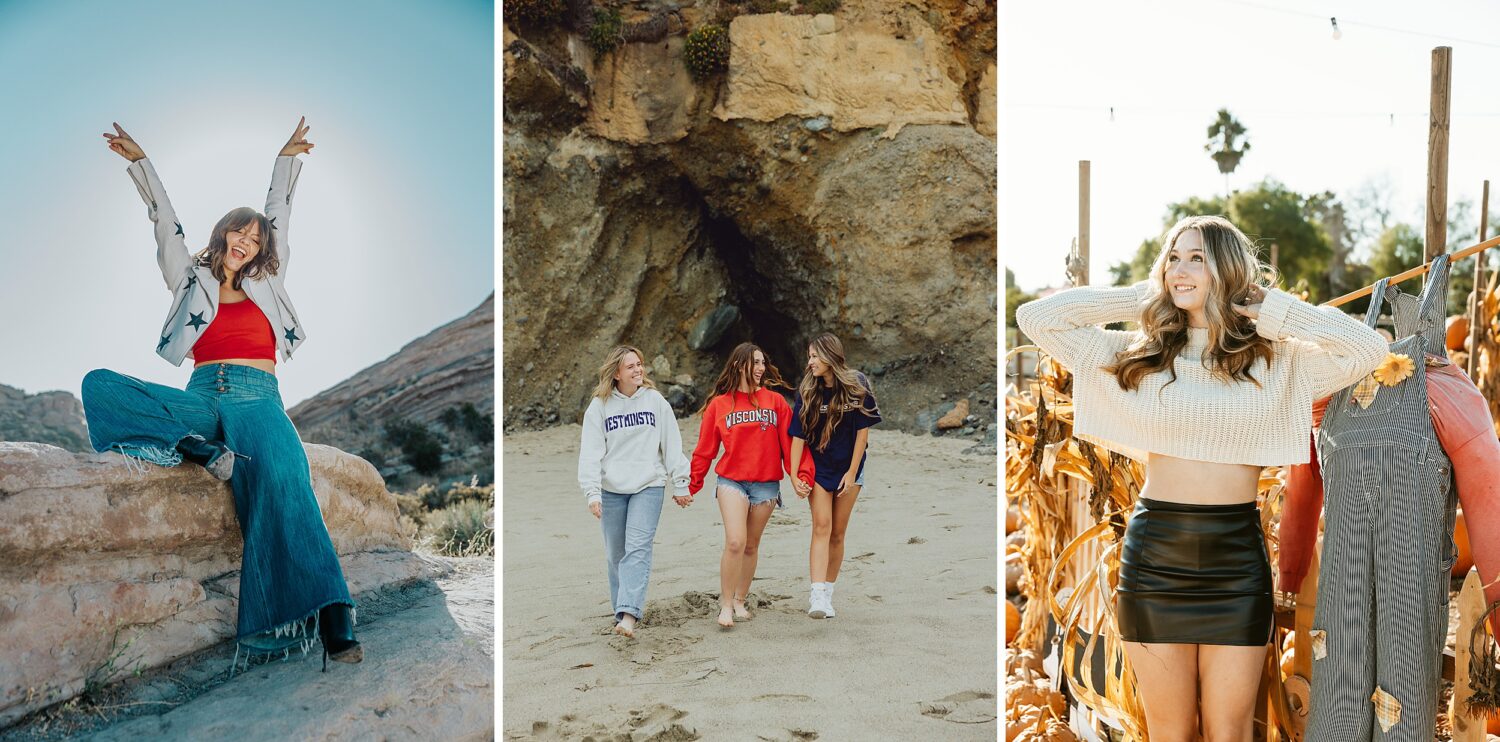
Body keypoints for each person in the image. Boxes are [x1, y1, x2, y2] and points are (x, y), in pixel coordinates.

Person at [1015, 215, 1387, 742]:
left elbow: (1368, 349)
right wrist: (1142, 296)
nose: (1179, 270)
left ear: (1228, 270)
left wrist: (1274, 311)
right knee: (1171, 731)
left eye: (1197, 259)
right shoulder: (1137, 354)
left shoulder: (1277, 361)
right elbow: (1036, 316)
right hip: (1155, 558)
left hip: (1235, 559)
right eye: (1173, 258)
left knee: (1229, 729)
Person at [82, 119, 362, 673]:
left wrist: (285, 161)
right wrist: (142, 164)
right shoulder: (189, 278)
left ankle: (331, 614)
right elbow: (164, 222)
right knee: (98, 385)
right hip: (202, 395)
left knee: (286, 476)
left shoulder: (270, 282)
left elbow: (280, 212)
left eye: (256, 238)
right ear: (222, 234)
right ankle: (196, 450)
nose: (247, 242)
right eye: (240, 232)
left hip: (259, 400)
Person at [690, 343, 815, 629]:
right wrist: (692, 484)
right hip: (732, 480)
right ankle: (725, 605)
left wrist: (801, 476)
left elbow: (790, 445)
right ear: (738, 366)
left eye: (762, 362)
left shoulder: (776, 402)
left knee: (751, 545)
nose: (760, 368)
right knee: (735, 541)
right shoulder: (719, 405)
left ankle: (739, 599)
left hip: (766, 484)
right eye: (754, 363)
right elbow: (705, 450)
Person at [577, 345, 692, 638]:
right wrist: (592, 493)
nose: (638, 370)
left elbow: (671, 444)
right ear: (617, 373)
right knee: (616, 554)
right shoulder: (599, 406)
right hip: (611, 490)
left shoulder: (655, 401)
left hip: (649, 485)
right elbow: (590, 454)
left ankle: (629, 614)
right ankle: (622, 609)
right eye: (631, 366)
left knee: (638, 548)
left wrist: (681, 482)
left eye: (640, 365)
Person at [788, 333, 880, 619]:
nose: (810, 362)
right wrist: (793, 476)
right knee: (822, 526)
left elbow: (862, 434)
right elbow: (798, 438)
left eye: (815, 356)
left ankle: (828, 593)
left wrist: (852, 473)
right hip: (819, 468)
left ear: (830, 356)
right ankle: (816, 596)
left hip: (850, 466)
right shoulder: (808, 390)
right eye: (809, 357)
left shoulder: (857, 384)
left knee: (838, 534)